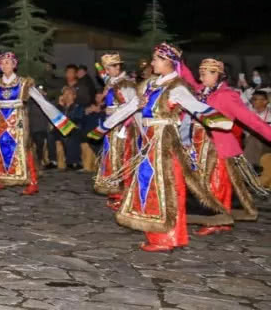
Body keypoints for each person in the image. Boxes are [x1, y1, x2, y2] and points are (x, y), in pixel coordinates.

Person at [89, 43, 234, 252]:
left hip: (164, 143)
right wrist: (104, 127)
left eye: (157, 59)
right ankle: (159, 234)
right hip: (148, 142)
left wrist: (220, 122)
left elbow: (197, 107)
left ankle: (167, 238)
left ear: (169, 62)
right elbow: (131, 108)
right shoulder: (150, 85)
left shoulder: (177, 87)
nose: (152, 62)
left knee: (166, 188)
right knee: (150, 187)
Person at [174, 57, 271, 234]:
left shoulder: (227, 96)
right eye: (201, 73)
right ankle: (218, 218)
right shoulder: (201, 92)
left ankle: (217, 220)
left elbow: (251, 121)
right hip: (198, 145)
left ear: (217, 75)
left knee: (217, 183)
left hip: (217, 146)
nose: (201, 77)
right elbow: (187, 79)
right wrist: (177, 60)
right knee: (206, 183)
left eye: (205, 74)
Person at [0, 52, 76, 195]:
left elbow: (41, 101)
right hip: (1, 120)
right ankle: (1, 178)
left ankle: (33, 181)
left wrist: (60, 121)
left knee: (24, 148)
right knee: (1, 149)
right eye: (2, 63)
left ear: (14, 65)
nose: (4, 66)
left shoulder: (23, 82)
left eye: (7, 63)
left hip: (18, 121)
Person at [92, 53, 138, 209]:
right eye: (106, 69)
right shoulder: (112, 82)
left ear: (118, 67)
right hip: (111, 124)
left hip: (121, 125)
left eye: (110, 68)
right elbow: (102, 75)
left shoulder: (126, 84)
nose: (107, 71)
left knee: (121, 156)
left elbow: (132, 105)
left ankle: (122, 194)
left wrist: (125, 125)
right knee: (111, 156)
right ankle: (114, 191)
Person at [243, 90, 271, 168]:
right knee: (254, 137)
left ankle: (248, 167)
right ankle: (251, 166)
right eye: (252, 99)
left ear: (265, 101)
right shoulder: (249, 113)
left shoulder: (270, 115)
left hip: (267, 143)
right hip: (249, 141)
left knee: (256, 137)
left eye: (255, 99)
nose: (253, 102)